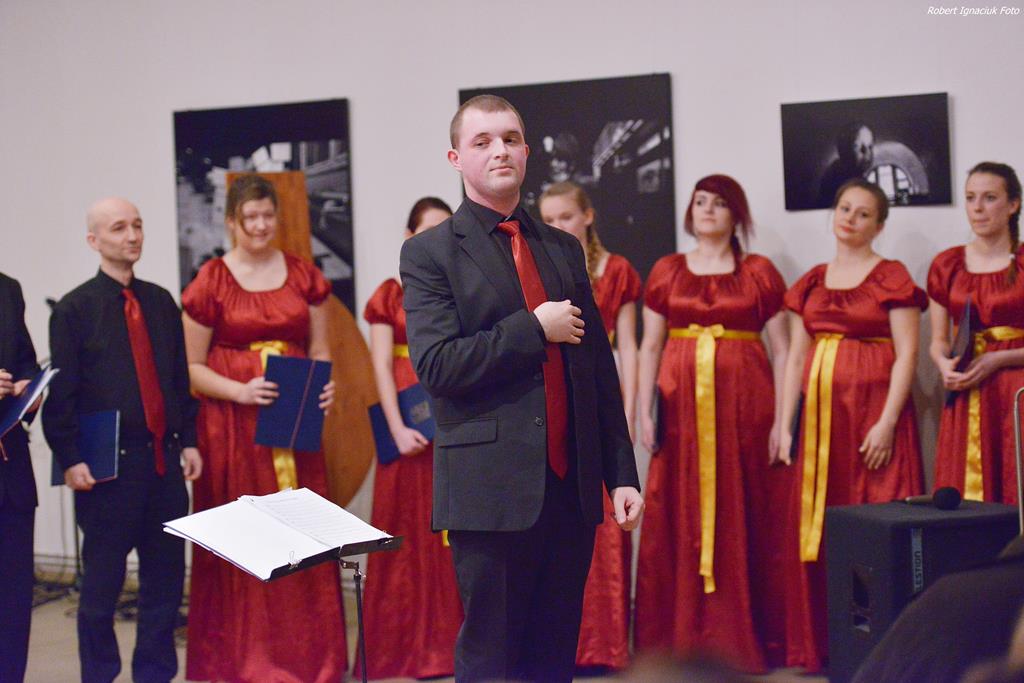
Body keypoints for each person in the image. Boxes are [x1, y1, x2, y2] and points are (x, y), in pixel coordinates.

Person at [399, 94, 644, 683]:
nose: (500, 151)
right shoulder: (430, 253)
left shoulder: (562, 248)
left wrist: (622, 473)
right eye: (482, 141)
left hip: (569, 488)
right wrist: (533, 329)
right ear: (456, 158)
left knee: (552, 655)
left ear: (527, 151)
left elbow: (597, 371)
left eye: (510, 139)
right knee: (491, 657)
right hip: (491, 491)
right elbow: (438, 366)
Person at [180, 174, 346, 682]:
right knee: (247, 536)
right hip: (233, 430)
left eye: (267, 215)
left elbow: (320, 349)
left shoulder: (303, 275)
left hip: (293, 426)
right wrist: (240, 391)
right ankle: (241, 662)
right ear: (232, 222)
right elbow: (190, 367)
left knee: (301, 531)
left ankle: (309, 659)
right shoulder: (211, 279)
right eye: (249, 217)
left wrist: (324, 386)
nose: (259, 225)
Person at [632, 174, 790, 672]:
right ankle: (676, 639)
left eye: (719, 203)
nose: (707, 210)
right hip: (679, 409)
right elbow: (650, 345)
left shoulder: (759, 272)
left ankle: (742, 636)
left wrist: (782, 422)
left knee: (745, 506)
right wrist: (642, 409)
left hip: (746, 407)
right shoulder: (667, 270)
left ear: (736, 214)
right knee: (676, 507)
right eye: (700, 201)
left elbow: (784, 350)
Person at [43, 198, 202, 683]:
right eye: (118, 228)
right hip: (108, 471)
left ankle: (153, 674)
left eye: (137, 225)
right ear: (94, 240)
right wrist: (69, 457)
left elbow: (177, 379)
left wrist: (189, 440)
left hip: (163, 466)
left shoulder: (160, 302)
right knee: (100, 593)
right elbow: (62, 394)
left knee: (163, 588)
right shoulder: (74, 310)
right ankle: (99, 675)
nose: (132, 235)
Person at [778, 178, 926, 671]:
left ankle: (881, 649)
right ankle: (823, 644)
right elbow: (795, 356)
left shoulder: (891, 276)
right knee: (822, 525)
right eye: (845, 208)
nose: (850, 219)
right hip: (821, 429)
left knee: (873, 524)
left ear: (879, 225)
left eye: (863, 213)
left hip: (869, 423)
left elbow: (907, 355)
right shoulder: (813, 281)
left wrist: (887, 422)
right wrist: (785, 423)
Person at [358, 196, 463, 679]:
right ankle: (400, 649)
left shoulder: (466, 289)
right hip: (406, 425)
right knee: (403, 532)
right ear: (409, 237)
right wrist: (398, 427)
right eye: (427, 231)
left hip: (453, 422)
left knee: (454, 537)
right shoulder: (389, 294)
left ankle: (452, 647)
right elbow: (380, 364)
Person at [538, 180, 639, 671]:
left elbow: (630, 346)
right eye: (549, 219)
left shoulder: (615, 270)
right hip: (564, 393)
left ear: (587, 216)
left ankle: (606, 643)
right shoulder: (539, 266)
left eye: (566, 217)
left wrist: (630, 410)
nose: (558, 226)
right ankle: (574, 647)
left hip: (603, 386)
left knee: (606, 520)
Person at [928, 162, 1024, 503]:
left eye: (989, 198)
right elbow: (938, 341)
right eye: (970, 198)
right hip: (967, 388)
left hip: (1017, 388)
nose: (978, 208)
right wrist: (943, 365)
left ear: (1013, 204)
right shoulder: (947, 264)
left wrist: (999, 359)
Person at [0, 273, 41, 683]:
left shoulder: (8, 288)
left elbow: (25, 359)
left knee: (12, 606)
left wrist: (31, 387)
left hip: (10, 473)